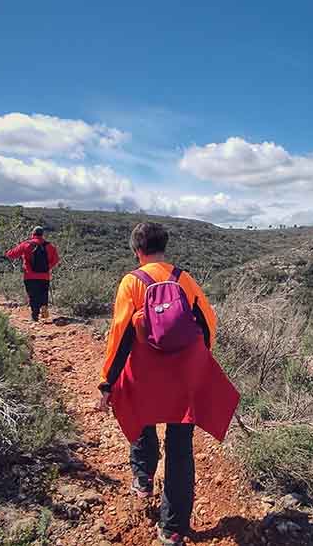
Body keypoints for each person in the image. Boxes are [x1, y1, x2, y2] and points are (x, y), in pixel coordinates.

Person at [96, 222, 240, 546]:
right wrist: (196, 364)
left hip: (144, 378)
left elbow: (119, 337)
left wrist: (107, 381)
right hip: (182, 382)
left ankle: (143, 477)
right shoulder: (184, 279)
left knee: (138, 416)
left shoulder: (131, 282)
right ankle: (173, 528)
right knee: (180, 449)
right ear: (164, 246)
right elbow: (208, 325)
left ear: (137, 251)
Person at [5, 226, 60, 321]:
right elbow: (56, 260)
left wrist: (7, 253)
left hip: (29, 275)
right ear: (42, 234)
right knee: (43, 293)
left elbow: (12, 254)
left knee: (33, 295)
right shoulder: (50, 246)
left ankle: (35, 315)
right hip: (44, 276)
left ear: (32, 234)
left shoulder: (26, 244)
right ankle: (44, 308)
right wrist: (47, 267)